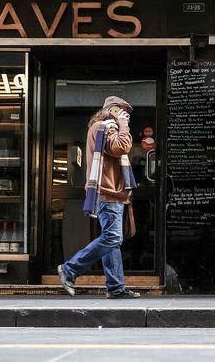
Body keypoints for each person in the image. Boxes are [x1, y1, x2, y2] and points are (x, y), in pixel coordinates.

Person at [57, 96, 140, 299]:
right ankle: (70, 269)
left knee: (113, 241)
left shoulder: (105, 127)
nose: (126, 116)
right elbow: (121, 147)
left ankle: (115, 287)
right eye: (122, 112)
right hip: (108, 192)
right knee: (112, 238)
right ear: (111, 111)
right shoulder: (106, 127)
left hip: (112, 193)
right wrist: (123, 126)